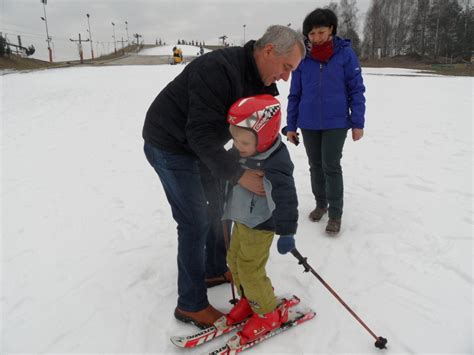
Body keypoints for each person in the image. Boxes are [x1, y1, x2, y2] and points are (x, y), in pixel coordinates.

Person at [143, 25, 305, 328]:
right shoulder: (218, 69)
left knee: (218, 207)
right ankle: (191, 304)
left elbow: (265, 127)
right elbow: (199, 133)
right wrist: (237, 174)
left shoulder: (262, 81)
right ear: (269, 51)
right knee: (194, 220)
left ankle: (215, 267)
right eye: (286, 67)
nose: (286, 77)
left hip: (203, 147)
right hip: (169, 143)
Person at [216, 94, 298, 347]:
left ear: (264, 135)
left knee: (251, 269)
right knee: (235, 261)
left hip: (261, 223)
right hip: (242, 218)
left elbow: (285, 198)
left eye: (243, 141)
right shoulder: (243, 150)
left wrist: (286, 232)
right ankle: (248, 299)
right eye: (234, 140)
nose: (237, 145)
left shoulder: (276, 163)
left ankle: (266, 312)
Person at [286, 8, 366, 235]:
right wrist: (291, 126)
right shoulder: (302, 57)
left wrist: (357, 122)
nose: (316, 38)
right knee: (315, 165)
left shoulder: (345, 54)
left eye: (321, 32)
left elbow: (356, 90)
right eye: (311, 34)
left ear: (331, 29)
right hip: (308, 121)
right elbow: (295, 93)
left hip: (336, 121)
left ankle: (335, 214)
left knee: (331, 164)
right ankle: (321, 203)